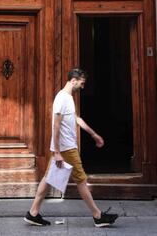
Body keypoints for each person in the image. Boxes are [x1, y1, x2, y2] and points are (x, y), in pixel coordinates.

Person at [24, 68, 119, 228]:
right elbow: (56, 125)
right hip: (66, 149)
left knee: (48, 179)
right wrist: (58, 153)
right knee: (81, 180)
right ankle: (98, 216)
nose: (83, 87)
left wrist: (93, 134)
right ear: (73, 80)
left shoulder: (67, 98)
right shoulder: (62, 98)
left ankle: (33, 213)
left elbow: (76, 119)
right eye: (82, 83)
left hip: (64, 148)